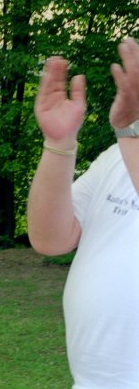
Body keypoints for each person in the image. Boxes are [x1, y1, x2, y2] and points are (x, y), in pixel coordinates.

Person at [27, 37, 139, 388]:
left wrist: (130, 132)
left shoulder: (129, 145)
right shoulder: (116, 157)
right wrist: (59, 145)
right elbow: (51, 239)